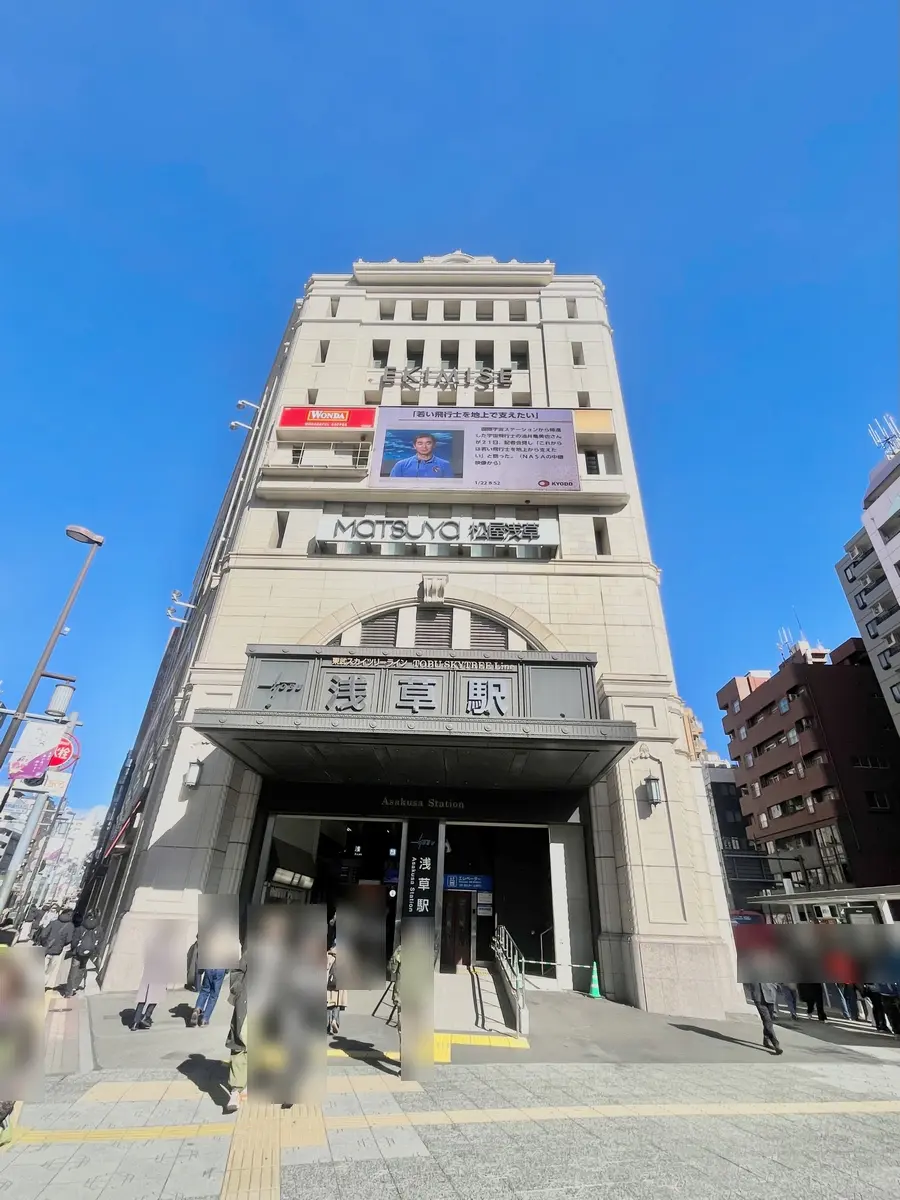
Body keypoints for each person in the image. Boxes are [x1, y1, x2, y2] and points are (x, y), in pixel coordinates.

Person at [224, 952, 248, 1114]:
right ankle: (236, 1091)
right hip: (248, 1004)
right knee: (240, 1044)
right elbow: (237, 971)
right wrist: (238, 990)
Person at [389, 433, 453, 479]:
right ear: (414, 446)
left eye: (428, 443)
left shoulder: (445, 464)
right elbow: (392, 486)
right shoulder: (401, 465)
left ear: (434, 445)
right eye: (420, 443)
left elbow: (450, 487)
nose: (424, 447)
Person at [64, 914, 99, 998]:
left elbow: (74, 941)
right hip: (87, 953)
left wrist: (73, 949)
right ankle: (75, 987)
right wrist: (94, 951)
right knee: (82, 969)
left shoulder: (79, 928)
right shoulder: (98, 929)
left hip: (77, 953)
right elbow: (99, 941)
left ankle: (68, 991)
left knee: (73, 971)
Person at [40, 908, 75, 990]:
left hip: (46, 948)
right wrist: (61, 944)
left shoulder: (53, 922)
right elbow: (69, 940)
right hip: (57, 951)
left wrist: (45, 943)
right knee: (49, 970)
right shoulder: (70, 926)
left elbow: (43, 934)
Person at [747, 982, 783, 1054]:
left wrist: (775, 986)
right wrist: (752, 988)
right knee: (767, 1020)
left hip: (770, 995)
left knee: (769, 1020)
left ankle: (766, 1040)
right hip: (758, 997)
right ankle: (776, 1043)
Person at [326, 949, 347, 1036]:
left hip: (329, 984)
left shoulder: (328, 956)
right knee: (337, 1004)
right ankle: (335, 1021)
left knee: (328, 1005)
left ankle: (327, 1025)